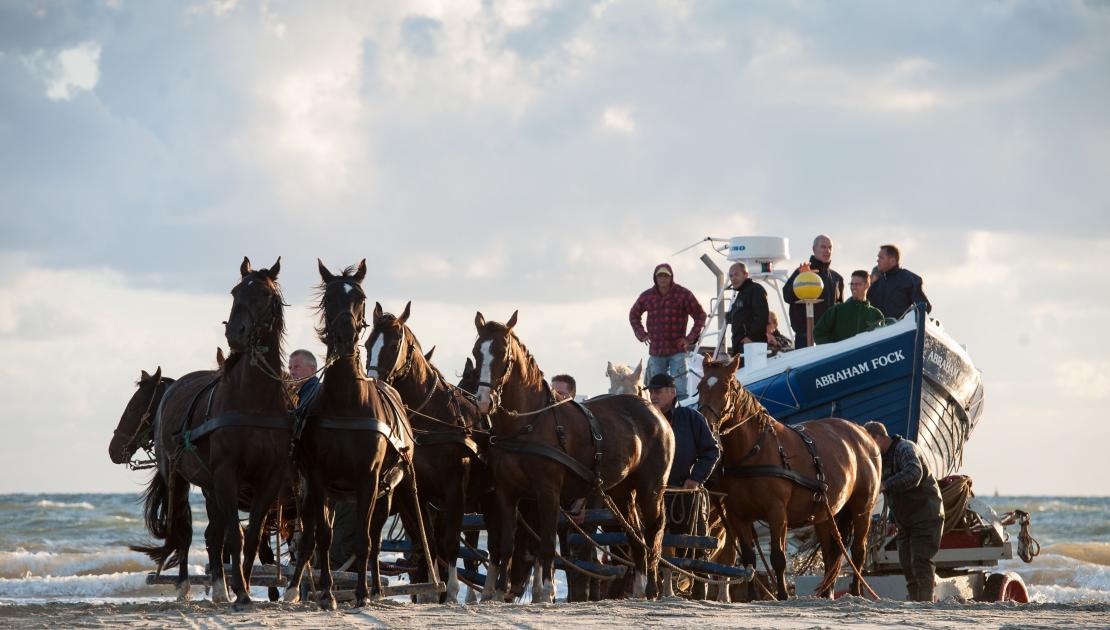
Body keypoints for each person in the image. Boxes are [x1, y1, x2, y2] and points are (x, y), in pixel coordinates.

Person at [864, 421, 944, 602]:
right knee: (907, 565)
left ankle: (924, 604)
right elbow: (897, 493)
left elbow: (914, 474)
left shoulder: (905, 448)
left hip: (926, 515)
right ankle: (917, 602)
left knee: (921, 563)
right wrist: (893, 519)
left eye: (868, 444)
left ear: (876, 437)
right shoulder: (884, 459)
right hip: (905, 520)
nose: (868, 450)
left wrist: (884, 484)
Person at [629, 263, 707, 400]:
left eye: (666, 276)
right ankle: (657, 418)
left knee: (681, 391)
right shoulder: (647, 296)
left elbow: (700, 315)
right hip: (656, 351)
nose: (663, 279)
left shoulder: (683, 294)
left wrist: (689, 339)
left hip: (677, 350)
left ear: (671, 277)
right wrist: (642, 334)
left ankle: (680, 415)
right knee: (655, 391)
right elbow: (633, 315)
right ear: (655, 278)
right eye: (660, 276)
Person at [783, 234, 845, 348]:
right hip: (805, 336)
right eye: (823, 247)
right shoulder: (801, 272)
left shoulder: (837, 278)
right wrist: (801, 276)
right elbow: (787, 296)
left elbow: (841, 309)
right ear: (814, 249)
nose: (827, 250)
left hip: (829, 337)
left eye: (830, 247)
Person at [812, 270, 885, 344]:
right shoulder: (837, 310)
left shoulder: (876, 314)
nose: (853, 287)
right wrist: (834, 348)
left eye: (857, 284)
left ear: (867, 285)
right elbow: (818, 333)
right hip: (843, 355)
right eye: (851, 284)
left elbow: (881, 340)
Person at [867, 244, 932, 319]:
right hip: (881, 330)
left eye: (881, 257)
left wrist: (906, 322)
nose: (877, 260)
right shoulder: (875, 286)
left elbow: (924, 307)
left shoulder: (908, 279)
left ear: (892, 260)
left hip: (902, 329)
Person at [727, 262, 769, 355]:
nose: (733, 278)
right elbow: (735, 316)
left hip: (751, 345)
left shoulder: (756, 289)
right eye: (731, 276)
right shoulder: (740, 295)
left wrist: (751, 337)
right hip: (740, 346)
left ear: (746, 275)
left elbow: (762, 316)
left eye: (737, 274)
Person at [288, 349, 320, 414]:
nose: (292, 372)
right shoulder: (304, 393)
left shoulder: (318, 392)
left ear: (312, 369)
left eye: (297, 367)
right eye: (290, 368)